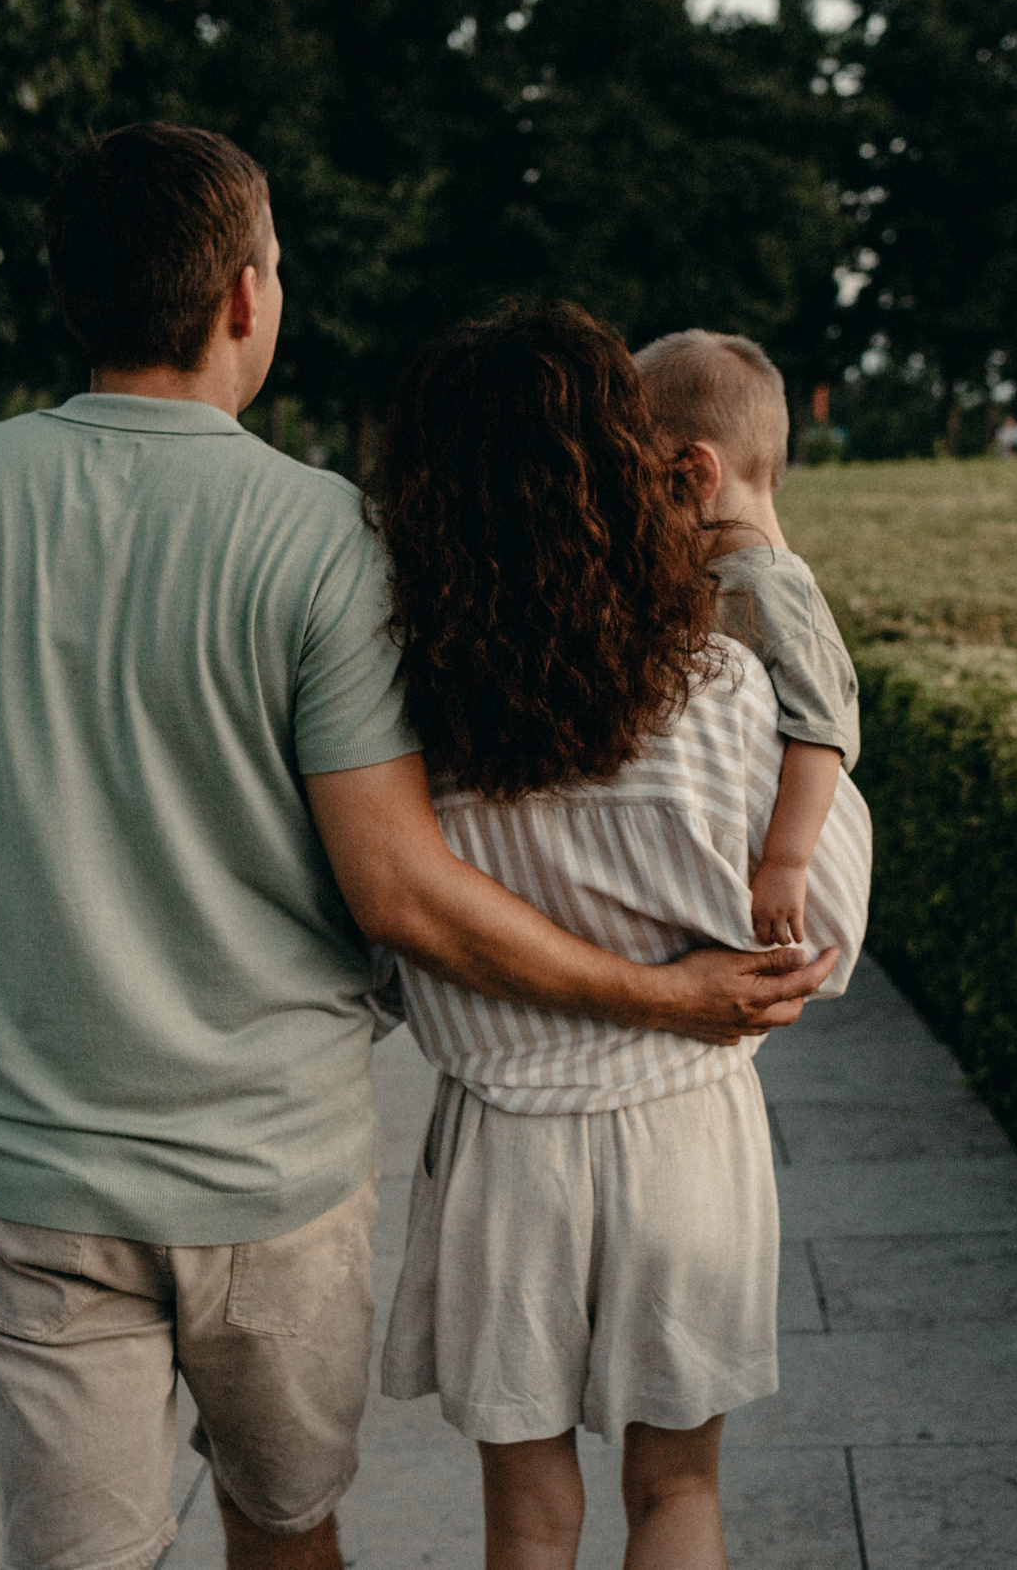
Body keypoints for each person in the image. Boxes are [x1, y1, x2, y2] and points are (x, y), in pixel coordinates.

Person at [0, 125, 837, 1570]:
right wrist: (663, 994)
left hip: (41, 1169)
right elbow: (399, 885)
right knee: (288, 1534)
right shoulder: (323, 538)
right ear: (244, 295)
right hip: (274, 1169)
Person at [370, 304, 872, 1569]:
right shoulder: (721, 691)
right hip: (685, 1137)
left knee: (529, 1522)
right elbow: (824, 938)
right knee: (678, 1493)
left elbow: (386, 938)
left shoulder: (409, 730)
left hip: (503, 1149)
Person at [636, 329, 858, 947]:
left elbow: (822, 733)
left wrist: (787, 862)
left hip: (772, 864)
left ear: (695, 473)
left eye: (642, 486)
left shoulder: (773, 588)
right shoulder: (720, 574)